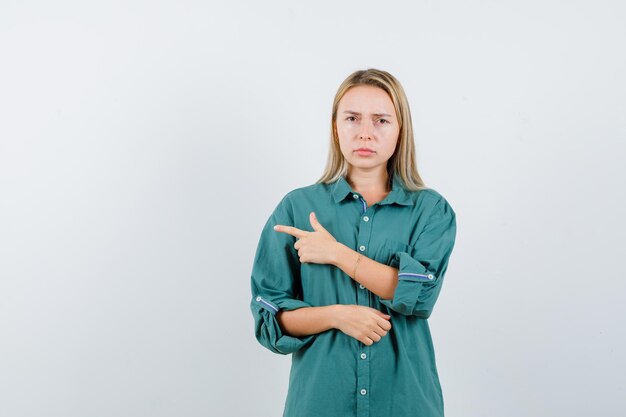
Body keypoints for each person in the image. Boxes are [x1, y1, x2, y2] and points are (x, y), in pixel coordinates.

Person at [249, 68, 457, 417]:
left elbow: (420, 297)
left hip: (405, 403)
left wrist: (337, 254)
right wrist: (334, 315)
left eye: (381, 121)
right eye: (352, 118)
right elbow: (269, 318)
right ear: (335, 126)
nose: (365, 133)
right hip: (319, 403)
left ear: (400, 129)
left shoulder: (431, 211)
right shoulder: (297, 208)